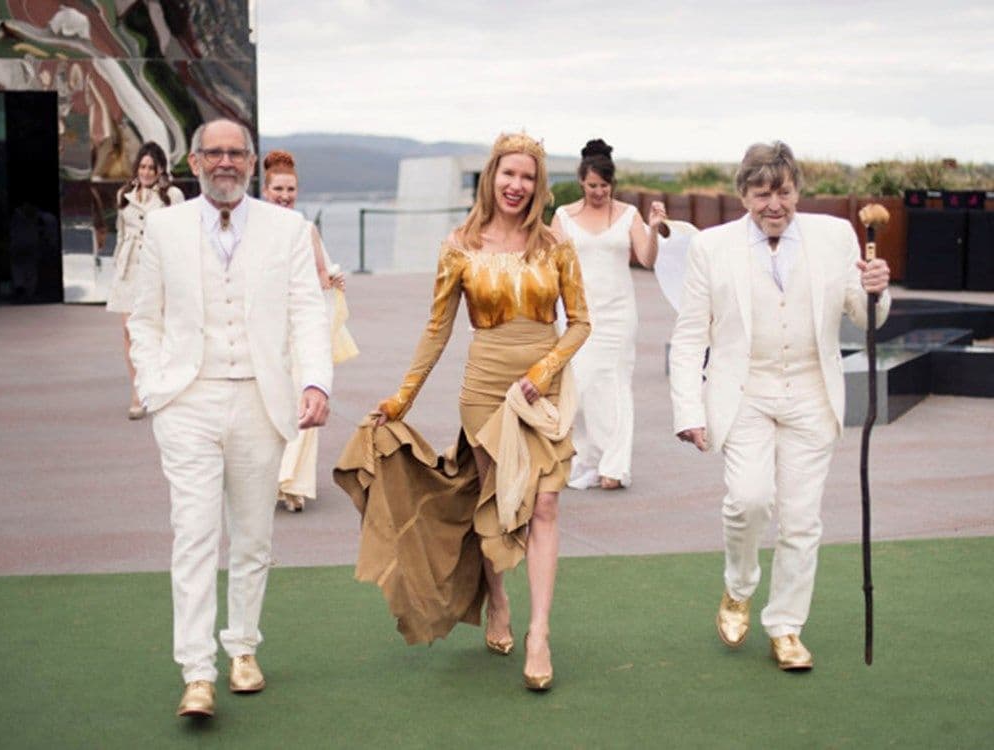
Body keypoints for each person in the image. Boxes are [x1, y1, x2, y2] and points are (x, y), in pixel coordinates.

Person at [334, 133, 590, 691]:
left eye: (527, 177)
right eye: (508, 175)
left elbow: (582, 324)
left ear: (538, 185)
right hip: (484, 394)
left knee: (544, 505)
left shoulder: (556, 246)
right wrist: (401, 398)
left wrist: (542, 374)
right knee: (496, 505)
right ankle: (497, 600)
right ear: (490, 179)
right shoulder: (459, 246)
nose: (517, 186)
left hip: (540, 393)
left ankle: (539, 633)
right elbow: (437, 330)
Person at [127, 119, 332, 718]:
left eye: (235, 153)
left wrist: (315, 380)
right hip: (186, 399)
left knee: (253, 535)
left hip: (260, 400)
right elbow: (144, 317)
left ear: (251, 161)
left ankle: (243, 647)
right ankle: (196, 670)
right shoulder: (162, 227)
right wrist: (152, 385)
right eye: (212, 152)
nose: (224, 162)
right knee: (192, 535)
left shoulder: (288, 228)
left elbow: (308, 312)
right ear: (193, 162)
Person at [668, 141, 891, 671]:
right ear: (744, 194)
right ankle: (739, 587)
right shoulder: (712, 248)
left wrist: (877, 290)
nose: (775, 204)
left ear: (797, 191)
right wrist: (688, 410)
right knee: (748, 501)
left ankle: (786, 625)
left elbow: (866, 316)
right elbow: (689, 334)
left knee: (800, 518)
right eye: (763, 193)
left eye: (784, 192)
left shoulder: (835, 236)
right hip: (743, 392)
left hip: (812, 395)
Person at [551, 138, 667, 490]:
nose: (598, 192)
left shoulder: (628, 214)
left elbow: (646, 258)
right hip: (576, 313)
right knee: (581, 387)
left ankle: (615, 467)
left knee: (614, 384)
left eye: (603, 185)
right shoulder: (563, 216)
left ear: (611, 184)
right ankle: (588, 457)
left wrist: (655, 229)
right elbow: (552, 266)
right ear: (581, 183)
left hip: (618, 312)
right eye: (591, 186)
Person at [261, 149, 357, 513]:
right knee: (272, 402)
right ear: (266, 189)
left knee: (305, 398)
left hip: (299, 329)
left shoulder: (306, 229)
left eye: (290, 189)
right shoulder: (255, 230)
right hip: (268, 330)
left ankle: (293, 483)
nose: (285, 196)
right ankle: (269, 477)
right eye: (278, 189)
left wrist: (332, 280)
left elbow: (319, 275)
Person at [105, 142, 184, 419]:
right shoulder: (124, 194)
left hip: (156, 269)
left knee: (158, 330)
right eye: (142, 166)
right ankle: (137, 391)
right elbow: (120, 230)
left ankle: (161, 386)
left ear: (160, 168)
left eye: (152, 167)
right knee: (129, 332)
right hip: (128, 270)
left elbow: (180, 236)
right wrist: (117, 265)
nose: (147, 171)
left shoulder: (171, 195)